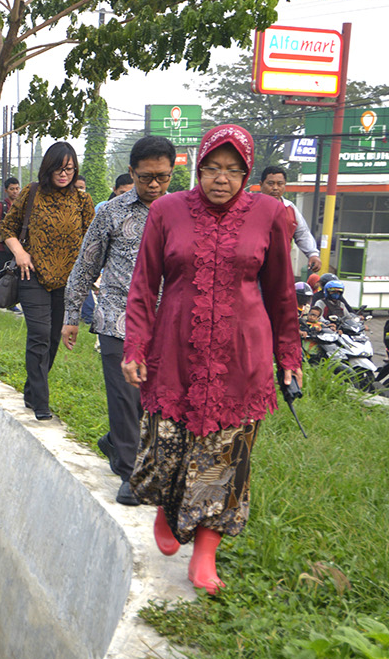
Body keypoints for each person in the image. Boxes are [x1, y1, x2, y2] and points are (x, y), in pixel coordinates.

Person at [122, 124, 302, 595]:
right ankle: (166, 509)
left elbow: (282, 292)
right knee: (166, 445)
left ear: (247, 173)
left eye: (233, 170)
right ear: (198, 168)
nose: (222, 178)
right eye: (213, 168)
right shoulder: (166, 211)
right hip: (175, 348)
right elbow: (144, 285)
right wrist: (135, 345)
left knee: (225, 455)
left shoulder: (270, 214)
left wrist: (289, 354)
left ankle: (205, 553)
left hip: (241, 353)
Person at [60, 135, 177, 507]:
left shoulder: (183, 212)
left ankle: (116, 442)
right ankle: (130, 474)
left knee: (153, 401)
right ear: (131, 172)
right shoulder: (110, 213)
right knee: (125, 398)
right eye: (145, 177)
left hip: (166, 324)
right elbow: (86, 265)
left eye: (162, 177)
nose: (154, 184)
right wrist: (72, 315)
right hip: (117, 318)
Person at [0, 142, 94, 420]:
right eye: (58, 169)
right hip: (32, 275)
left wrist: (91, 275)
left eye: (69, 169)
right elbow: (8, 228)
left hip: (67, 280)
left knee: (53, 338)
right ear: (48, 168)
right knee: (39, 335)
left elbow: (92, 240)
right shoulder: (31, 192)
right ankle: (41, 402)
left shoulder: (82, 201)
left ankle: (32, 391)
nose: (64, 174)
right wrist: (20, 253)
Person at [259, 165, 322, 274]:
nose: (275, 188)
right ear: (261, 184)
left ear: (285, 185)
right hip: (253, 265)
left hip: (280, 266)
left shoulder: (290, 208)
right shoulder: (251, 206)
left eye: (280, 184)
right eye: (270, 183)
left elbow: (302, 233)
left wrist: (313, 254)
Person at [0, 177, 21, 268]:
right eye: (12, 189)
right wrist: (7, 225)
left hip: (18, 248)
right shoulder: (0, 207)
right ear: (6, 190)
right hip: (2, 249)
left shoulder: (23, 207)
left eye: (17, 189)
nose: (15, 191)